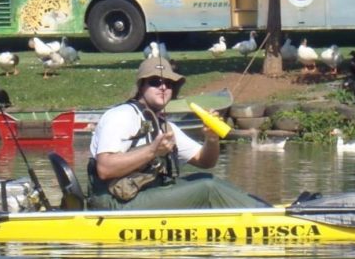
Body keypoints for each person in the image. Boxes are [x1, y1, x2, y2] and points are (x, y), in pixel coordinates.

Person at [87, 56, 270, 210]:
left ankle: (262, 209)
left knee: (207, 179)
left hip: (142, 195)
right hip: (112, 203)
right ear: (141, 86)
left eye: (169, 83)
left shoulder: (165, 127)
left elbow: (205, 162)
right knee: (207, 188)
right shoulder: (122, 115)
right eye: (155, 82)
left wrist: (211, 139)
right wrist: (152, 151)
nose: (163, 87)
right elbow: (104, 169)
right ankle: (265, 218)